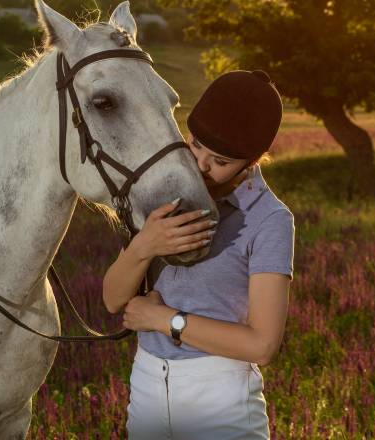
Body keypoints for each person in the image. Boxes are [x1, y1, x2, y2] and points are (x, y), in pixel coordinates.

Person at [102, 70, 295, 439]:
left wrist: (164, 319)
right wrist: (146, 245)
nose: (202, 165)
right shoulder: (164, 197)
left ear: (254, 159)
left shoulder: (269, 219)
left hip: (220, 398)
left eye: (220, 161)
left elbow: (263, 344)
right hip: (145, 387)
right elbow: (113, 300)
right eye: (196, 145)